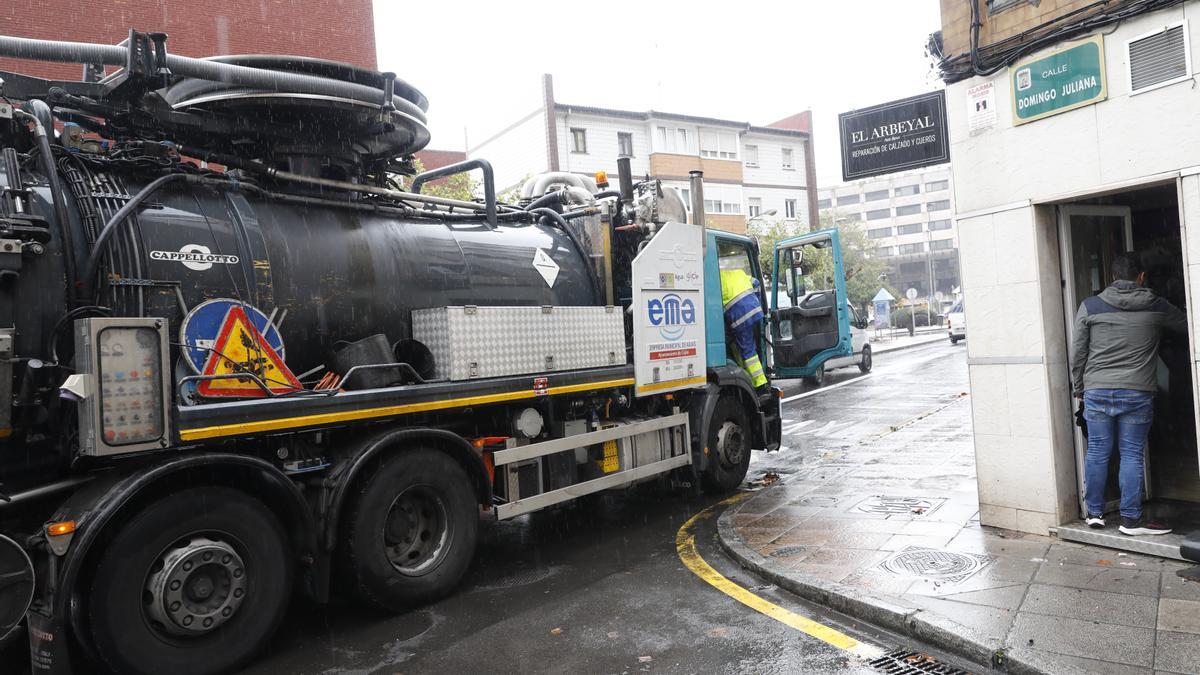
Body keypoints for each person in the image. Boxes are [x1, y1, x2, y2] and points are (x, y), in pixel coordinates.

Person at [1070, 252, 1187, 536]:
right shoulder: (1157, 305)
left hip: (1097, 389)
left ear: (1111, 276)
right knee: (1132, 454)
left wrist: (1079, 388)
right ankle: (1131, 519)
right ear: (1142, 277)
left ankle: (1095, 513)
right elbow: (1188, 325)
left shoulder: (1091, 305)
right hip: (1137, 391)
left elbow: (1078, 354)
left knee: (1097, 450)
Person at [719, 260, 768, 393]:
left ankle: (759, 382)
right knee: (746, 345)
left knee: (746, 349)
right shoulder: (738, 273)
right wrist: (756, 300)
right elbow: (756, 283)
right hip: (755, 309)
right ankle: (752, 378)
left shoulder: (715, 280)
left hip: (739, 315)